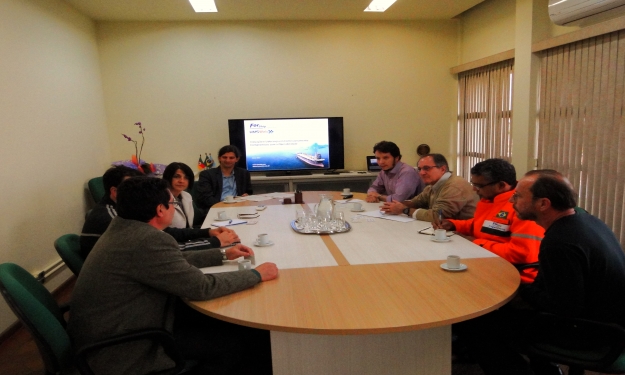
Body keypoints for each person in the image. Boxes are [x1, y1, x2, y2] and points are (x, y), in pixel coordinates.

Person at [68, 177, 278, 374]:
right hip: (127, 348)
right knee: (239, 342)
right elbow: (202, 287)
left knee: (226, 323)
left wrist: (222, 254)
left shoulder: (125, 228)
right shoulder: (146, 240)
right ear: (160, 210)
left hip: (119, 326)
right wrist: (256, 274)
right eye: (172, 203)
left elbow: (171, 262)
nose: (174, 206)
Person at [454, 170, 625, 375]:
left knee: (475, 324)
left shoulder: (559, 243)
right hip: (607, 317)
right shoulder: (586, 221)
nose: (511, 201)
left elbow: (564, 307)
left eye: (517, 196)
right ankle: (545, 368)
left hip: (593, 332)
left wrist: (520, 288)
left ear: (543, 204)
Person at [80, 166, 238, 258]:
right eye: (131, 187)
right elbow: (169, 251)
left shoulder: (127, 213)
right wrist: (217, 244)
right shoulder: (115, 221)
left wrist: (208, 233)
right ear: (114, 192)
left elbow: (165, 235)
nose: (138, 191)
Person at [433, 159, 544, 283]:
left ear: (501, 185)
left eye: (479, 186)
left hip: (516, 276)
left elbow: (521, 253)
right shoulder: (489, 200)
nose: (475, 190)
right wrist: (454, 224)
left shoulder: (522, 207)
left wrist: (477, 243)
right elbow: (481, 225)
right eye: (473, 184)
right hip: (487, 263)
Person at [381, 153, 478, 221]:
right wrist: (396, 205)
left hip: (464, 237)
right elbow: (416, 202)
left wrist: (404, 210)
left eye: (426, 168)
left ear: (443, 169)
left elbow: (438, 216)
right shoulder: (433, 185)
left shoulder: (454, 186)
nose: (422, 173)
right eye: (420, 169)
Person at [196, 145, 253, 210]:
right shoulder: (207, 174)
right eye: (224, 157)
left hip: (238, 207)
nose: (227, 160)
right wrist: (224, 206)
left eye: (231, 158)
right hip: (216, 208)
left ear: (237, 159)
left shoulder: (244, 173)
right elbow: (206, 198)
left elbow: (249, 191)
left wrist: (246, 195)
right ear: (219, 158)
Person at [162, 162, 196, 229]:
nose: (181, 181)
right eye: (176, 177)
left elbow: (190, 224)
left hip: (188, 236)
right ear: (168, 177)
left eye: (186, 177)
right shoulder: (162, 198)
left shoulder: (187, 196)